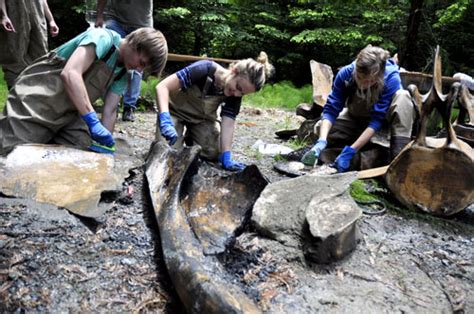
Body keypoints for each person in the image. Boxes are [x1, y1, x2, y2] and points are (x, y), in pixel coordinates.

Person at [0, 27, 168, 155]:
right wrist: (92, 120)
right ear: (135, 44)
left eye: (143, 69)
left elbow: (110, 110)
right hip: (36, 99)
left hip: (69, 114)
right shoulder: (102, 38)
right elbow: (70, 73)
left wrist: (105, 145)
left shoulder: (123, 72)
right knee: (11, 153)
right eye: (142, 62)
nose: (139, 69)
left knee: (83, 151)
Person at [301, 45, 415, 172]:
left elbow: (376, 121)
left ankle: (397, 158)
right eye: (359, 78)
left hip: (382, 125)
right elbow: (331, 110)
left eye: (369, 81)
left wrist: (352, 150)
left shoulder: (391, 78)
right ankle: (362, 147)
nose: (362, 84)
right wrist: (322, 141)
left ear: (379, 75)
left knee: (403, 96)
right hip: (355, 119)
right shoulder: (346, 73)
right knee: (319, 128)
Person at [155, 52, 274, 171]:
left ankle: (191, 139)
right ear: (234, 71)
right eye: (238, 87)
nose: (237, 94)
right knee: (168, 153)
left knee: (214, 152)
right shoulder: (203, 69)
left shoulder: (235, 94)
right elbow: (162, 87)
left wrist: (226, 155)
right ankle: (176, 136)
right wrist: (165, 119)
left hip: (201, 120)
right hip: (174, 113)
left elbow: (228, 123)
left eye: (242, 93)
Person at [95, 0, 153, 122]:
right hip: (115, 19)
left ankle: (129, 107)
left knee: (137, 66)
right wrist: (99, 16)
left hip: (141, 24)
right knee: (112, 57)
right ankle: (110, 105)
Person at [0, 0, 59, 89]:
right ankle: (16, 96)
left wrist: (51, 20)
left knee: (40, 56)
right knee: (15, 57)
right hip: (15, 14)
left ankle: (36, 95)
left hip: (37, 16)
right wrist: (4, 16)